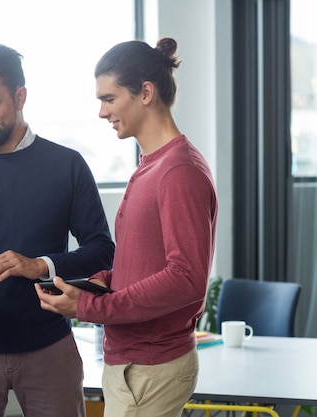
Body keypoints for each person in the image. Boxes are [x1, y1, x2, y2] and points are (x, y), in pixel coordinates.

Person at [0, 44, 115, 417]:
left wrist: (39, 265)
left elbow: (101, 249)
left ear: (20, 96)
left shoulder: (68, 166)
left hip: (49, 346)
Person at [36, 38, 218, 417]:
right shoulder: (151, 164)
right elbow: (147, 261)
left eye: (109, 98)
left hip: (150, 367)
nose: (102, 112)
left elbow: (187, 278)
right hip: (134, 364)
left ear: (146, 93)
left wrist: (89, 305)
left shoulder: (179, 172)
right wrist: (105, 280)